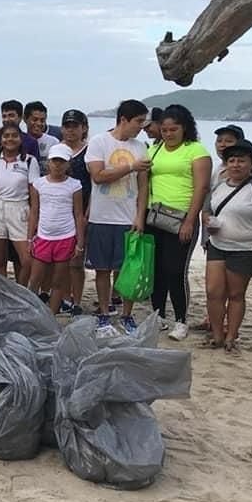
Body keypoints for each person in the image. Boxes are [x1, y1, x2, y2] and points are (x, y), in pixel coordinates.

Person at [201, 140, 252, 354]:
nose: (235, 165)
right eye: (231, 160)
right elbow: (206, 209)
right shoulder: (219, 185)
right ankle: (217, 335)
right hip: (217, 245)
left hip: (245, 249)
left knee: (236, 294)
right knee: (213, 292)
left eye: (241, 161)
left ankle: (231, 336)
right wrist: (209, 223)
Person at [147, 104, 211, 341]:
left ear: (185, 128)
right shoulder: (155, 149)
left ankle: (181, 320)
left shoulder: (196, 150)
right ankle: (159, 316)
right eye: (164, 129)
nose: (168, 134)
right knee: (157, 270)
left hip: (181, 217)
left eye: (173, 129)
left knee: (176, 270)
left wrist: (190, 221)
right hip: (154, 216)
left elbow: (202, 187)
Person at [85, 99, 150, 333]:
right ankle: (104, 312)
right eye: (138, 121)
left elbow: (143, 187)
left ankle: (126, 314)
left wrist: (140, 216)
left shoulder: (140, 146)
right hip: (101, 217)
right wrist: (131, 167)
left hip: (127, 218)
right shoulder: (99, 142)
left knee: (127, 271)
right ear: (124, 120)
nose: (142, 126)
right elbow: (98, 176)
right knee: (102, 270)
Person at [193, 123, 246, 332]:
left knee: (230, 284)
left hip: (233, 234)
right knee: (215, 283)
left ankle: (224, 324)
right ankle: (212, 319)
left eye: (228, 141)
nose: (223, 145)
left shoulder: (246, 172)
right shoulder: (218, 168)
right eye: (220, 141)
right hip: (212, 229)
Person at [28, 144, 86, 313]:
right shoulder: (39, 184)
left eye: (62, 161)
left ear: (68, 164)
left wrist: (79, 242)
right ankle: (31, 312)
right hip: (43, 236)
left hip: (66, 237)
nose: (58, 165)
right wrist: (30, 237)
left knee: (58, 281)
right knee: (35, 279)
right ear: (48, 162)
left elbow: (78, 214)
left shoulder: (74, 185)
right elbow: (34, 211)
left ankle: (52, 315)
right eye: (54, 161)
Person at [0, 122, 33, 284]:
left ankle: (21, 292)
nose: (10, 139)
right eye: (6, 136)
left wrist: (34, 220)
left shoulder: (29, 161)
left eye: (14, 136)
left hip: (20, 209)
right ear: (1, 139)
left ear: (21, 138)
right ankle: (3, 294)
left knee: (27, 260)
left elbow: (34, 194)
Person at [59, 109, 90, 314]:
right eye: (67, 126)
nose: (71, 130)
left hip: (82, 211)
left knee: (77, 260)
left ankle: (77, 301)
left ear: (84, 128)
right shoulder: (56, 150)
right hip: (59, 213)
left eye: (75, 126)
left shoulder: (89, 152)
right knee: (61, 261)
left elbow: (95, 185)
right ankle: (63, 298)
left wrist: (89, 212)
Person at [24, 101, 60, 174]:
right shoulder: (20, 140)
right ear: (25, 119)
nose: (39, 123)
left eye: (42, 120)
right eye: (35, 120)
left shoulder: (53, 142)